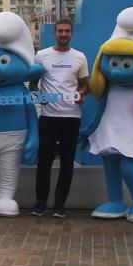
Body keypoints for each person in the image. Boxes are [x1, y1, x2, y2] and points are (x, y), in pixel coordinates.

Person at [30, 18, 88, 218]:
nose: (63, 34)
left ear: (72, 34)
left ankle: (60, 205)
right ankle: (40, 203)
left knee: (67, 163)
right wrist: (41, 99)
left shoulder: (79, 57)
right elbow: (33, 85)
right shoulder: (41, 56)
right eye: (60, 31)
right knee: (44, 162)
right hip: (48, 117)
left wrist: (82, 94)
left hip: (72, 117)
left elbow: (85, 85)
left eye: (67, 31)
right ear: (54, 33)